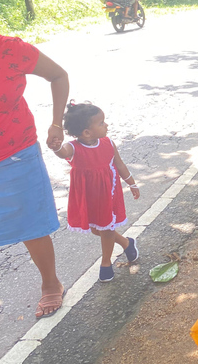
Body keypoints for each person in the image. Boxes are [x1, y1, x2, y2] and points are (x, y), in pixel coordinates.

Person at [0, 33, 69, 318]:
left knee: (31, 222)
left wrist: (56, 123)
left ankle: (51, 283)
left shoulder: (10, 49)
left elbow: (58, 75)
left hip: (16, 152)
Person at [52, 102, 140, 282]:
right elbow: (63, 152)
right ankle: (126, 243)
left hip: (107, 194)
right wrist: (56, 147)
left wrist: (132, 183)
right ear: (86, 133)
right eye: (101, 123)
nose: (106, 125)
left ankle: (106, 263)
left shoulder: (108, 143)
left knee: (106, 228)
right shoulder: (74, 147)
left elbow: (119, 164)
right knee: (95, 229)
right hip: (87, 196)